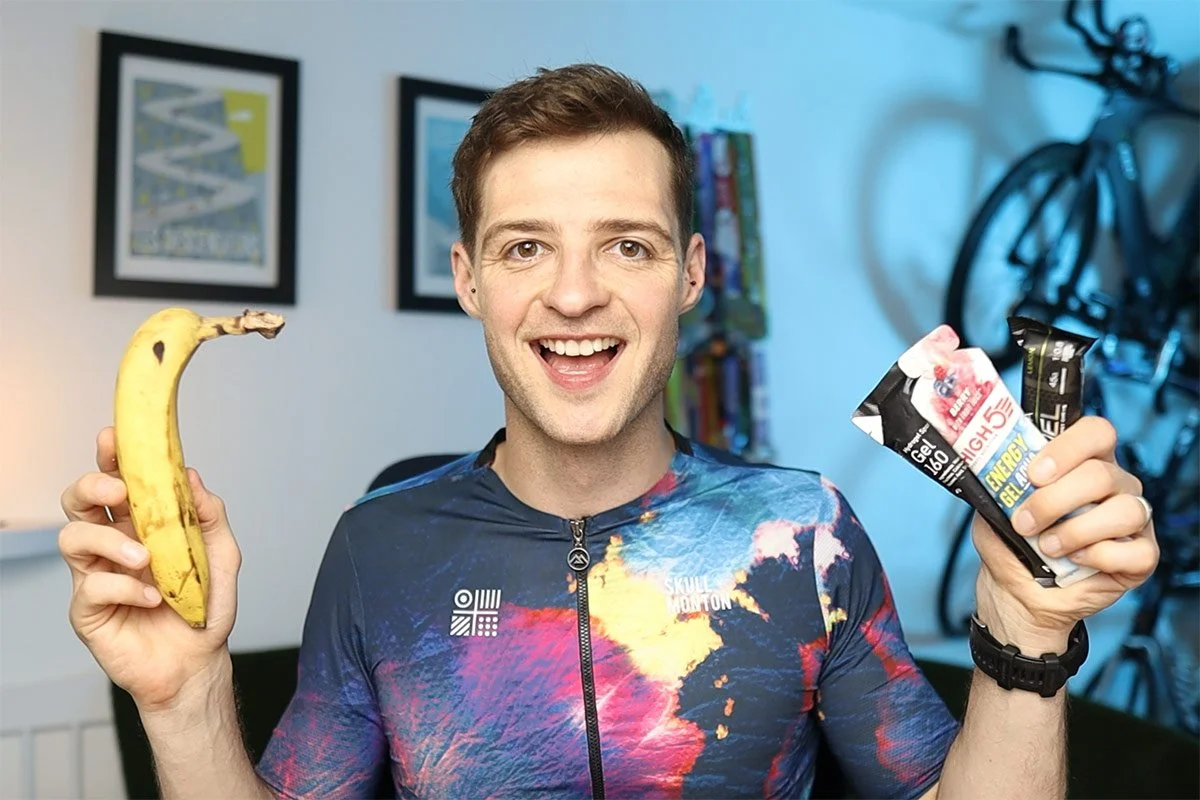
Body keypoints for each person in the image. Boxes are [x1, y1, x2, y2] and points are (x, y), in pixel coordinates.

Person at [59, 64, 1159, 800]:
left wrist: (1022, 641)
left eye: (627, 246)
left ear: (689, 274)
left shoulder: (804, 532)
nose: (574, 294)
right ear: (469, 279)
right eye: (526, 247)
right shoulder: (378, 548)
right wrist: (184, 696)